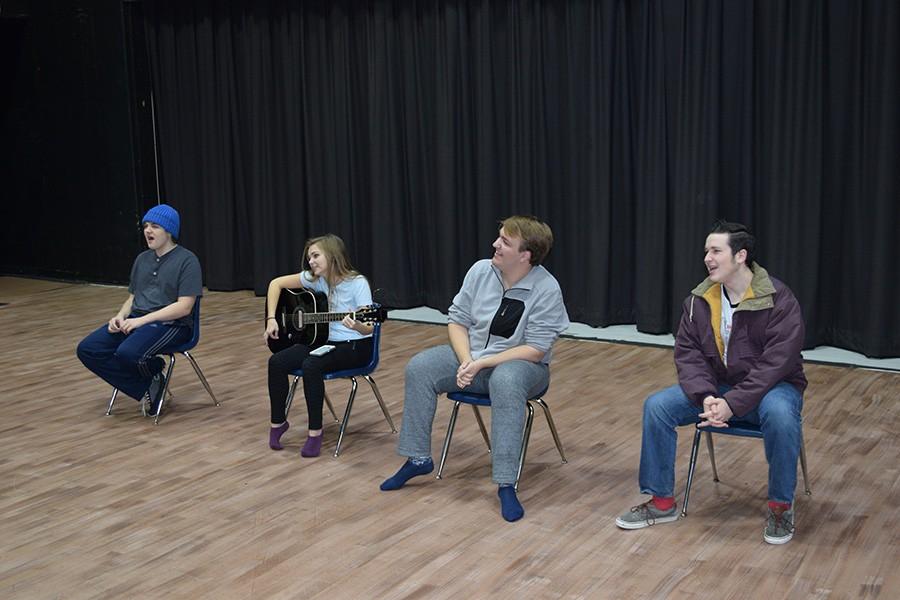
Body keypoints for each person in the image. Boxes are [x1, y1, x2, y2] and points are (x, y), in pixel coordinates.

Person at [615, 221, 807, 544]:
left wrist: (733, 404)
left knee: (782, 415)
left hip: (773, 389)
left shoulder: (778, 299)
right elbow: (688, 356)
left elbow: (776, 363)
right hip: (718, 389)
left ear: (741, 256)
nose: (708, 258)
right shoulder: (698, 301)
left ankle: (780, 507)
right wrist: (705, 396)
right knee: (657, 407)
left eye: (716, 250)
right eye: (706, 251)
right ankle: (662, 502)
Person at [380, 215, 570, 522]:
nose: (495, 244)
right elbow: (457, 320)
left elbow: (536, 349)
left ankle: (506, 482)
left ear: (526, 255)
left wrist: (482, 362)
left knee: (507, 380)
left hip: (522, 367)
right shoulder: (481, 270)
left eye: (505, 242)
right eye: (499, 237)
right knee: (421, 367)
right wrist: (467, 358)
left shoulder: (546, 288)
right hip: (474, 357)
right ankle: (418, 458)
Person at [77, 204, 203, 417]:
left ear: (169, 231)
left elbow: (184, 307)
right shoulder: (142, 259)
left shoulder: (187, 260)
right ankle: (150, 380)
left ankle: (151, 373)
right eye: (146, 226)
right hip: (138, 320)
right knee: (88, 349)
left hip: (172, 324)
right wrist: (120, 316)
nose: (148, 231)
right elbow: (133, 297)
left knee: (128, 352)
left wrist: (141, 321)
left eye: (155, 226)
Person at [264, 234, 375, 458]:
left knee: (311, 364)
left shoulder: (358, 283)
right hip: (324, 341)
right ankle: (278, 423)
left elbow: (370, 327)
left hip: (355, 346)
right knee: (276, 362)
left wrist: (357, 326)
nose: (311, 261)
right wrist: (271, 319)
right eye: (309, 257)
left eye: (316, 256)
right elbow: (275, 284)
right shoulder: (315, 280)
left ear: (333, 255)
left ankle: (315, 433)